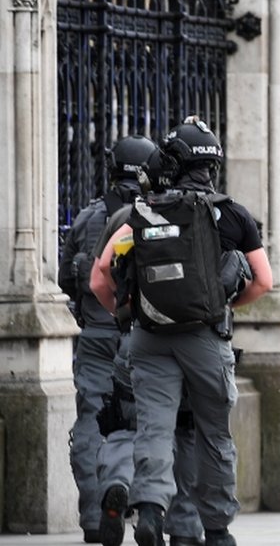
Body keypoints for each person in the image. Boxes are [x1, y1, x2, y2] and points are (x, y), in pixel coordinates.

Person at [91, 116, 273, 546]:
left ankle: (151, 509)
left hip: (150, 336)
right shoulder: (232, 214)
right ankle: (217, 529)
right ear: (213, 164)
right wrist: (222, 307)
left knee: (153, 428)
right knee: (214, 434)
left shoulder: (142, 213)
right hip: (206, 338)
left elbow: (101, 275)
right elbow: (263, 281)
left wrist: (129, 314)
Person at [88, 138, 206, 546]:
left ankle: (114, 487)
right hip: (192, 342)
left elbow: (96, 276)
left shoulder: (125, 217)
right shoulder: (199, 213)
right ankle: (184, 526)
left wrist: (122, 317)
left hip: (135, 339)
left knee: (124, 425)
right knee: (181, 431)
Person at [58, 135, 158, 543]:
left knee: (89, 423)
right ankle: (138, 499)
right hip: (141, 335)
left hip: (96, 333)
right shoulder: (154, 214)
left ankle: (94, 516)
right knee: (145, 423)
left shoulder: (87, 218)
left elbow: (67, 278)